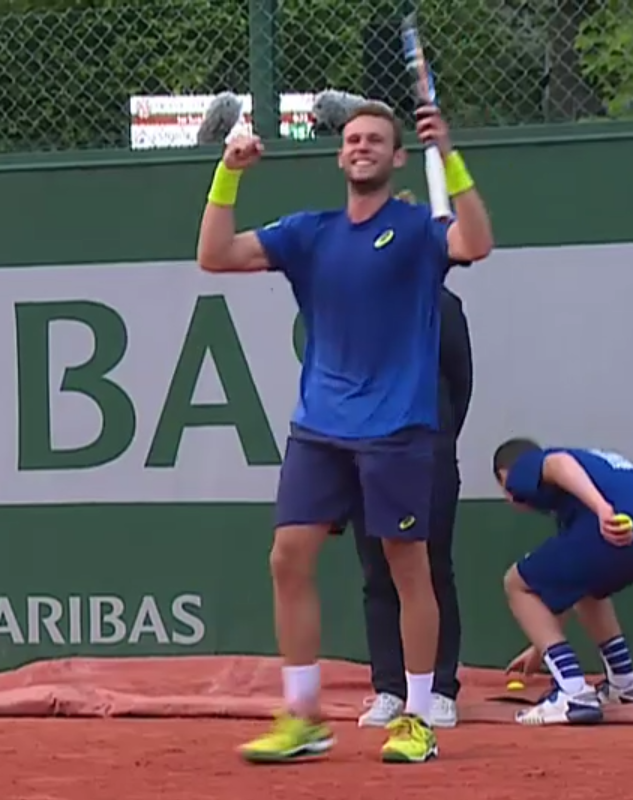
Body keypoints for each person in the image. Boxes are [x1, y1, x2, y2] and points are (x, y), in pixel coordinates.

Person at [196, 100, 493, 763]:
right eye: (352, 138)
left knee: (405, 568)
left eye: (376, 141)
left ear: (394, 159)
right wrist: (228, 173)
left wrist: (448, 153)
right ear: (340, 155)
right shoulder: (310, 233)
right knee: (287, 557)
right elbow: (214, 255)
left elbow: (475, 243)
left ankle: (416, 718)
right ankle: (302, 716)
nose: (360, 146)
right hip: (320, 427)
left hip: (397, 429)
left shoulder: (418, 231)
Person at [492, 438, 633, 726]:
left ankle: (572, 690)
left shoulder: (527, 466)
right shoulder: (589, 474)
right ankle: (625, 683)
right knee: (586, 588)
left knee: (516, 583)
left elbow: (557, 464)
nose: (509, 496)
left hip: (619, 521)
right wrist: (539, 647)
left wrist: (602, 509)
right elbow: (570, 587)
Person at [355, 282, 472, 729]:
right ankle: (389, 689)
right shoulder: (349, 303)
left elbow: (460, 383)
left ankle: (439, 689)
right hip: (363, 455)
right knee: (377, 575)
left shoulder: (441, 304)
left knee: (432, 569)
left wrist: (436, 438)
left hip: (427, 455)